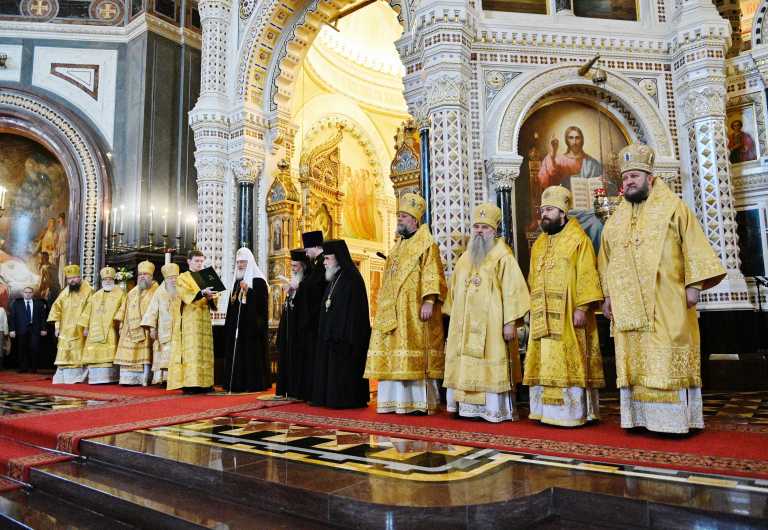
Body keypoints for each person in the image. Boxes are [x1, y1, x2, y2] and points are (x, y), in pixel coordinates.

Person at [598, 143, 726, 433]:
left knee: (666, 355)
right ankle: (640, 420)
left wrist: (694, 285)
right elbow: (605, 259)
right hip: (628, 309)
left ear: (650, 178)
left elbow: (693, 244)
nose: (629, 182)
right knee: (637, 362)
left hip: (667, 300)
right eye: (626, 177)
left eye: (635, 176)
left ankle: (674, 422)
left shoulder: (674, 208)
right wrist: (607, 296)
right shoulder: (616, 220)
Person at [524, 186, 605, 427]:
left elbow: (588, 274)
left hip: (570, 314)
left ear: (562, 212)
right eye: (542, 210)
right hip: (542, 315)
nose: (544, 214)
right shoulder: (539, 244)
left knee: (571, 356)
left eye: (549, 210)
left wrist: (582, 307)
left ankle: (573, 412)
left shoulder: (578, 240)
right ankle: (544, 411)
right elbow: (532, 278)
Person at [443, 204, 530, 422]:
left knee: (491, 356)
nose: (479, 231)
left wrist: (510, 322)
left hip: (493, 325)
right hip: (463, 327)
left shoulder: (503, 257)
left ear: (494, 230)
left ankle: (492, 409)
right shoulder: (464, 259)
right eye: (476, 227)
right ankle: (465, 407)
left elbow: (513, 290)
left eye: (484, 227)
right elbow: (452, 294)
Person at [364, 193, 447, 415]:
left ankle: (416, 402)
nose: (399, 219)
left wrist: (429, 300)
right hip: (393, 310)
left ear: (414, 219)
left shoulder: (426, 243)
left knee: (413, 350)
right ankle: (392, 401)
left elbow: (433, 273)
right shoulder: (397, 246)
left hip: (414, 310)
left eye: (403, 216)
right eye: (398, 215)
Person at [312, 239, 370, 408]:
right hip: (332, 335)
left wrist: (340, 333)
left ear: (338, 258)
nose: (324, 262)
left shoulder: (352, 279)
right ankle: (330, 398)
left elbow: (355, 313)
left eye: (327, 258)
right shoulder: (334, 278)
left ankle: (346, 399)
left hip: (347, 339)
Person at [223, 247, 270, 392]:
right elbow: (232, 304)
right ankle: (235, 383)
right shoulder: (237, 282)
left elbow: (262, 306)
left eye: (243, 262)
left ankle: (251, 383)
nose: (240, 265)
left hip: (251, 328)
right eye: (238, 262)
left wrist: (249, 292)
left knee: (250, 354)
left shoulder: (259, 281)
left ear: (250, 262)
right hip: (237, 327)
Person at [169, 250, 216, 393]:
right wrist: (202, 293)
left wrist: (211, 297)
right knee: (193, 350)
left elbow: (215, 295)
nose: (199, 264)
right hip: (191, 319)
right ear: (189, 262)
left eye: (201, 261)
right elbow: (185, 295)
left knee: (205, 351)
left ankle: (206, 383)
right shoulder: (183, 277)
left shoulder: (207, 275)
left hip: (204, 319)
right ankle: (191, 384)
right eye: (196, 261)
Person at [114, 261, 159, 385]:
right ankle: (127, 379)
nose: (142, 277)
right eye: (140, 274)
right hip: (129, 330)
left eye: (145, 274)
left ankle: (144, 379)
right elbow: (124, 309)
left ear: (151, 276)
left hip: (146, 328)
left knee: (145, 355)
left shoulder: (157, 290)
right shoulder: (132, 292)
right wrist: (122, 325)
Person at [79, 266, 125, 384]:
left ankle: (111, 377)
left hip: (111, 328)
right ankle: (95, 378)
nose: (108, 281)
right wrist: (85, 327)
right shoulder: (96, 295)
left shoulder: (120, 293)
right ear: (102, 281)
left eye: (110, 279)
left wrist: (120, 324)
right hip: (94, 330)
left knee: (110, 354)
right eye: (105, 280)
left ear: (114, 280)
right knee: (94, 353)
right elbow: (87, 311)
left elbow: (124, 309)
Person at [48, 264, 93, 383]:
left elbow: (90, 310)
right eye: (69, 278)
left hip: (80, 328)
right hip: (65, 329)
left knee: (79, 352)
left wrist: (86, 326)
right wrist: (57, 327)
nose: (72, 280)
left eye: (75, 277)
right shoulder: (64, 292)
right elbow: (56, 309)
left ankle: (77, 376)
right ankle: (64, 377)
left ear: (80, 277)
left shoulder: (88, 290)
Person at [276, 249, 310, 398]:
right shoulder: (295, 280)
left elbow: (305, 306)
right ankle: (288, 388)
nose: (293, 269)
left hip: (300, 330)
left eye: (295, 266)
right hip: (290, 329)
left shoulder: (306, 282)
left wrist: (296, 291)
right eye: (292, 266)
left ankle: (297, 390)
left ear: (303, 266)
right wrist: (290, 293)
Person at [142, 263, 182, 385]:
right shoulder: (159, 292)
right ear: (165, 278)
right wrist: (152, 328)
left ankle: (176, 379)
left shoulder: (182, 289)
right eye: (171, 278)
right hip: (163, 329)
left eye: (176, 277)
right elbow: (152, 311)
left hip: (179, 328)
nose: (173, 280)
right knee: (164, 352)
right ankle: (163, 379)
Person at [9, 286, 48, 372]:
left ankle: (34, 368)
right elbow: (12, 317)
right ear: (23, 294)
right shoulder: (16, 304)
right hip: (21, 329)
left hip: (35, 329)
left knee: (34, 348)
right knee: (22, 349)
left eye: (30, 292)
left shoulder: (39, 303)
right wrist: (12, 330)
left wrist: (44, 329)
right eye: (26, 292)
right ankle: (23, 368)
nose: (28, 294)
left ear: (33, 294)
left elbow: (43, 317)